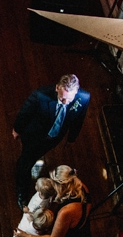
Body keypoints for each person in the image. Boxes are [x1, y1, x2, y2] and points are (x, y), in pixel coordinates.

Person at [12, 75, 90, 207]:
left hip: (54, 137)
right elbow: (24, 113)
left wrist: (71, 138)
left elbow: (78, 119)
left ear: (76, 93)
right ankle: (21, 190)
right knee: (26, 161)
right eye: (62, 98)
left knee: (37, 154)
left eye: (69, 99)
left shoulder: (84, 97)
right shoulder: (40, 96)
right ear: (57, 88)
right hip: (34, 135)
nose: (65, 103)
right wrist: (17, 130)